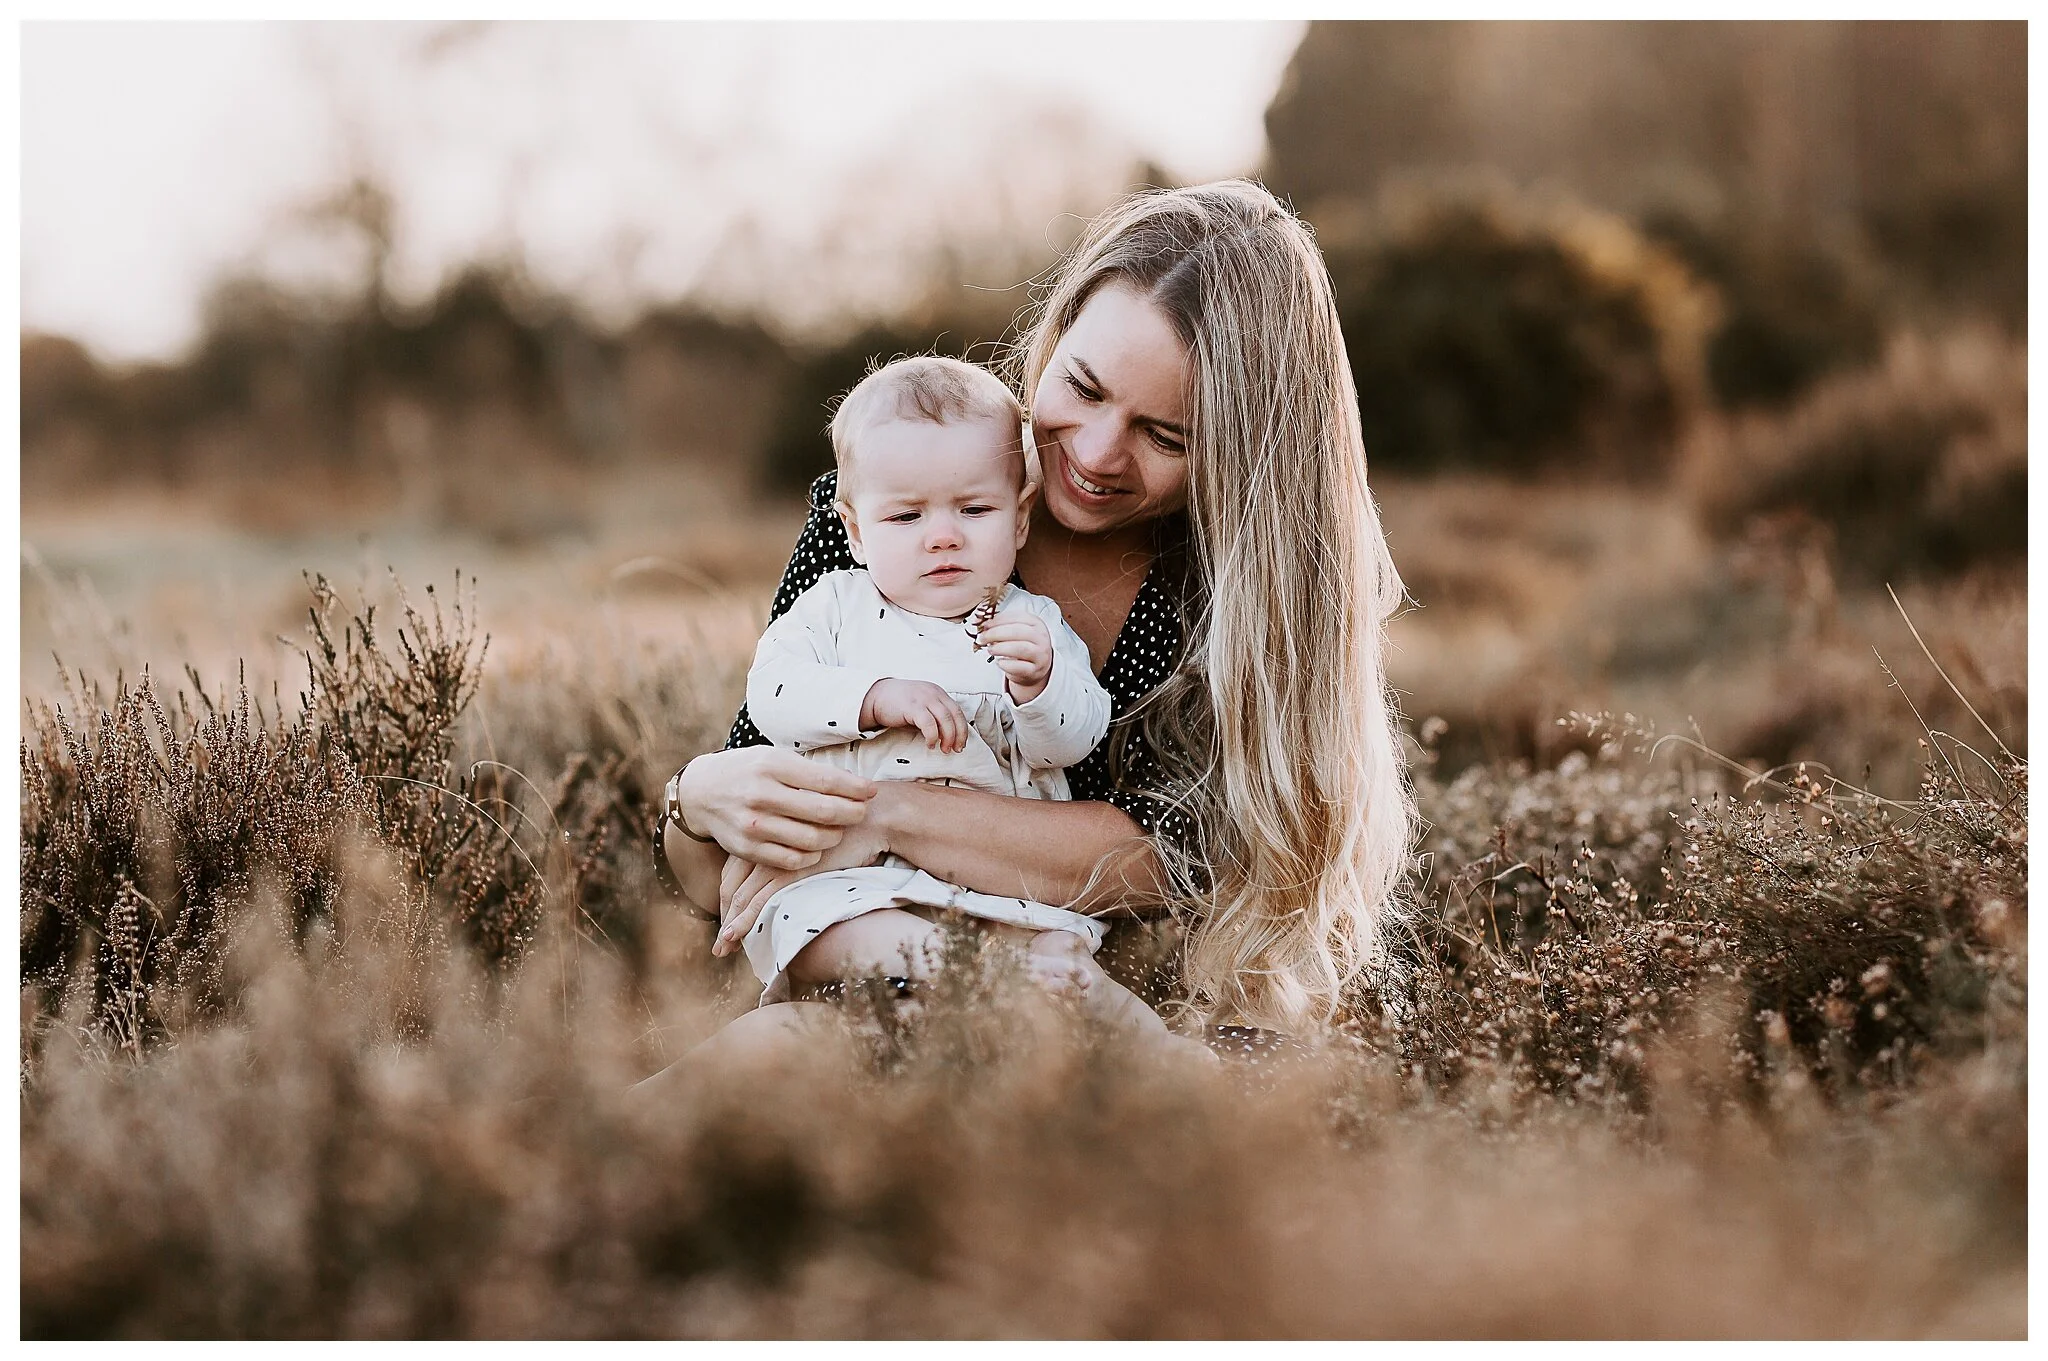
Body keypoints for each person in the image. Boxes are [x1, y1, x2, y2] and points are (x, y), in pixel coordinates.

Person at [652, 178, 1415, 1066]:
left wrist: (886, 815)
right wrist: (696, 797)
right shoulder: (897, 502)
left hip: (1080, 1016)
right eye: (1082, 388)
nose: (1093, 454)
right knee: (775, 1051)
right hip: (864, 984)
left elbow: (1185, 854)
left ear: (1241, 451)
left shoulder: (1224, 592)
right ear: (1051, 340)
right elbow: (721, 869)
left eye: (1165, 436)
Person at [729, 353, 1113, 1005]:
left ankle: (1163, 1055)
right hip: (859, 880)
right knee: (814, 927)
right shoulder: (836, 608)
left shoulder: (1029, 623)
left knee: (1069, 960)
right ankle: (978, 975)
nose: (942, 537)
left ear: (1019, 519)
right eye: (907, 517)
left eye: (973, 510)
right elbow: (772, 693)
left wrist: (1040, 687)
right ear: (853, 530)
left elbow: (1074, 742)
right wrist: (874, 698)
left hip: (1000, 881)